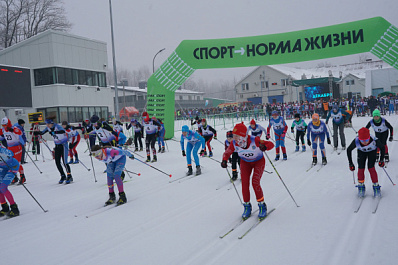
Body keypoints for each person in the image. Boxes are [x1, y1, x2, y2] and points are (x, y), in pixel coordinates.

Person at [221, 122, 274, 220]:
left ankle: (262, 205)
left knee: (255, 182)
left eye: (237, 136)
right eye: (234, 136)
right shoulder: (234, 143)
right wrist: (224, 160)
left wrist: (264, 147)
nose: (235, 138)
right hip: (245, 163)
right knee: (244, 183)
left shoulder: (254, 140)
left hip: (258, 162)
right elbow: (227, 152)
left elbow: (271, 144)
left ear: (243, 135)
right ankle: (247, 206)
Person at [347, 127, 385, 197]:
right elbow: (349, 150)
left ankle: (376, 186)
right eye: (362, 140)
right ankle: (361, 186)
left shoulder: (374, 140)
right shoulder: (356, 141)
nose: (365, 142)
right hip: (361, 153)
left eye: (367, 140)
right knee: (361, 168)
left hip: (372, 152)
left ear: (369, 137)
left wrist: (381, 159)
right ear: (359, 139)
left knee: (371, 168)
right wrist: (350, 163)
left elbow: (383, 147)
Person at [35, 116, 73, 184]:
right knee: (57, 162)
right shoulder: (48, 128)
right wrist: (37, 133)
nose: (47, 125)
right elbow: (42, 132)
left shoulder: (57, 126)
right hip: (57, 146)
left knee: (65, 162)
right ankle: (62, 175)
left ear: (52, 123)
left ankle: (69, 175)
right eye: (46, 124)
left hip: (63, 145)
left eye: (48, 124)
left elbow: (62, 131)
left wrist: (54, 132)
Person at [0, 117, 26, 184]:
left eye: (5, 125)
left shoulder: (13, 128)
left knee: (17, 163)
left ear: (8, 124)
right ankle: (15, 177)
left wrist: (13, 130)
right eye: (3, 125)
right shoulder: (3, 130)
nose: (4, 126)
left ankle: (22, 176)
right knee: (10, 163)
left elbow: (20, 133)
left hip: (17, 147)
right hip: (9, 148)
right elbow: (1, 136)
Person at [0, 146, 20, 217]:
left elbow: (11, 154)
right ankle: (5, 207)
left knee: (3, 187)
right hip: (2, 167)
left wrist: (1, 151)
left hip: (12, 166)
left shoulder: (1, 148)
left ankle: (14, 208)